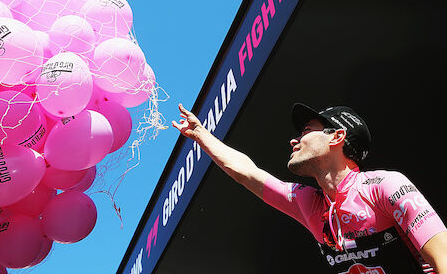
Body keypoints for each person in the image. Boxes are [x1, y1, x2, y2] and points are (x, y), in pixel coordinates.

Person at [172, 102, 447, 273]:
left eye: (306, 131)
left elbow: (444, 257)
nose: (294, 141)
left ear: (337, 136)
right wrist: (200, 134)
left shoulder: (386, 185)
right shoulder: (310, 204)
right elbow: (247, 173)